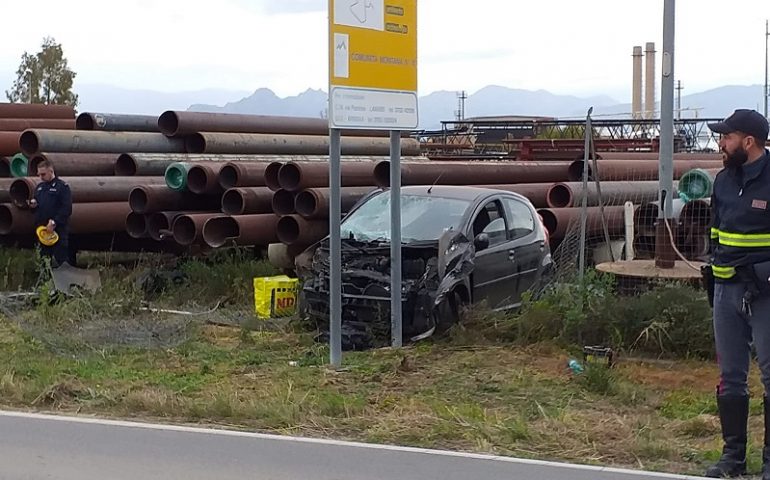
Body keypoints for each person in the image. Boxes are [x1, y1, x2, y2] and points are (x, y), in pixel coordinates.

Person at [705, 109, 770, 478]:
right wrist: (713, 270)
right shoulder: (723, 181)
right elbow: (716, 231)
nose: (721, 144)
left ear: (749, 142)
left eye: (726, 138)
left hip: (765, 292)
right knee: (731, 377)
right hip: (727, 289)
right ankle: (733, 458)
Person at [28, 159, 72, 267]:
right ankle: (45, 281)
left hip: (57, 230)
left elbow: (66, 208)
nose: (41, 177)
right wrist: (33, 205)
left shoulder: (62, 187)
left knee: (61, 259)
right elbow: (37, 207)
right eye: (39, 175)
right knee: (44, 260)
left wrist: (54, 222)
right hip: (43, 231)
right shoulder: (40, 188)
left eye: (43, 174)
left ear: (51, 171)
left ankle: (65, 281)